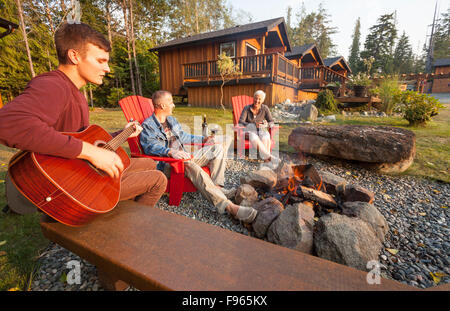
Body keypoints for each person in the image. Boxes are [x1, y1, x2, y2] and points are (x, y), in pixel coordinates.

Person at [0, 22, 167, 211]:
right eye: (101, 61)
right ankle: (117, 225)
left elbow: (83, 139)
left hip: (80, 169)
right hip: (69, 184)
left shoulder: (76, 93)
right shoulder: (53, 85)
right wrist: (92, 152)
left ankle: (110, 212)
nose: (108, 69)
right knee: (159, 180)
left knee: (149, 163)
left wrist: (123, 134)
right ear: (74, 56)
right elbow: (8, 124)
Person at [139, 90, 258, 223]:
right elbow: (149, 146)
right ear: (162, 106)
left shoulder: (171, 120)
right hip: (167, 164)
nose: (174, 105)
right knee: (190, 165)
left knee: (216, 148)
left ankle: (217, 187)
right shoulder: (148, 126)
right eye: (171, 102)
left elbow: (184, 136)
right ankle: (228, 206)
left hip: (182, 157)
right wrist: (170, 152)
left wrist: (204, 139)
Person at [238, 90, 279, 166]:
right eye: (256, 98)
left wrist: (267, 124)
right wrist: (253, 125)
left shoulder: (265, 108)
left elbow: (271, 121)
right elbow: (240, 122)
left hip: (259, 131)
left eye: (259, 99)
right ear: (253, 98)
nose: (257, 101)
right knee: (253, 135)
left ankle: (266, 160)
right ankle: (269, 157)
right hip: (247, 131)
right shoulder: (247, 108)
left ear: (262, 100)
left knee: (266, 135)